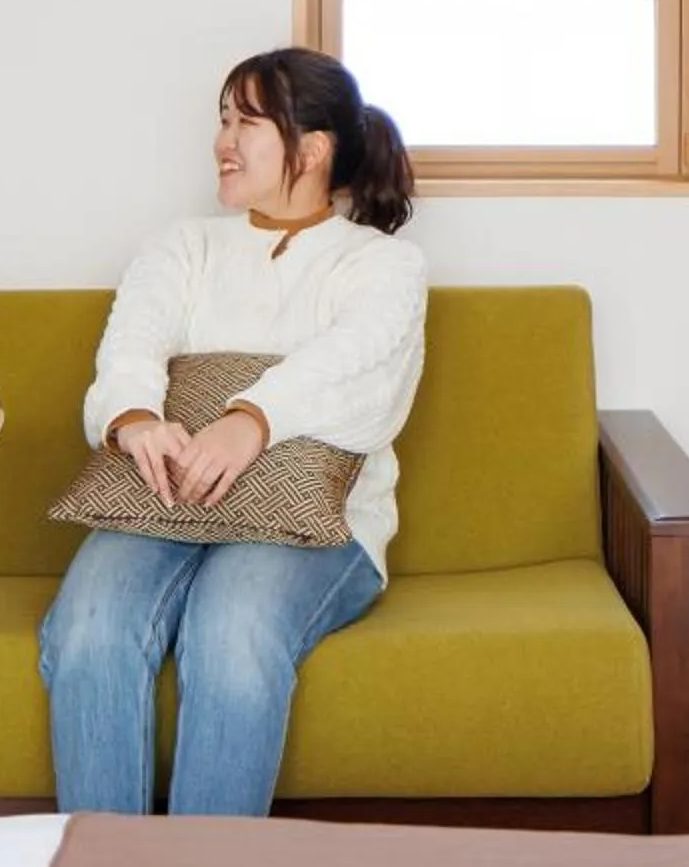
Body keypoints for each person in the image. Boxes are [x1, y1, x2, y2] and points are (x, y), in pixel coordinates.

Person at [42, 47, 427, 816]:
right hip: (164, 502)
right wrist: (137, 420)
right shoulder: (183, 246)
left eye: (246, 121)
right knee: (88, 627)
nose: (222, 139)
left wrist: (250, 421)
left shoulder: (383, 265)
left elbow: (357, 372)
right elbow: (129, 349)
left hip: (319, 527)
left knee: (232, 628)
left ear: (312, 149)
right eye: (222, 118)